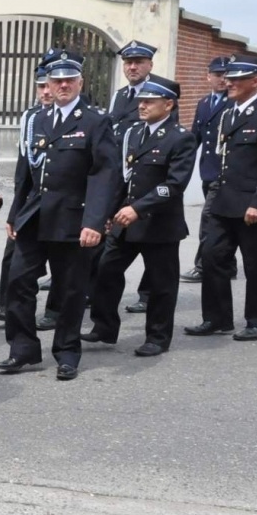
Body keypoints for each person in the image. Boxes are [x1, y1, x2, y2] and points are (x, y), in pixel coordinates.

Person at [0, 49, 118, 381]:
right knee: (18, 281)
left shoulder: (95, 121)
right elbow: (27, 170)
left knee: (70, 290)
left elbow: (104, 174)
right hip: (35, 216)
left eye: (69, 80)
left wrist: (94, 222)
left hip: (73, 219)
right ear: (48, 84)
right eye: (56, 80)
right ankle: (22, 348)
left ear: (80, 82)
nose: (62, 85)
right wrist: (14, 213)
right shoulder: (38, 120)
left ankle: (66, 352)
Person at [86, 76, 196, 357]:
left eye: (149, 101)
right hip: (125, 221)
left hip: (159, 224)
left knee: (161, 284)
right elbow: (124, 178)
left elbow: (174, 185)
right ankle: (104, 327)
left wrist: (138, 208)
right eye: (141, 101)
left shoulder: (180, 138)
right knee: (105, 271)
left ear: (168, 104)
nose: (142, 105)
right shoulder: (134, 133)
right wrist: (108, 212)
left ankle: (157, 337)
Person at [185, 57, 257, 342]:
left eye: (236, 79)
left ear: (255, 81)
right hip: (224, 200)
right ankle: (217, 318)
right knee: (212, 256)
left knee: (256, 264)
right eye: (228, 78)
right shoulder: (228, 114)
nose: (229, 82)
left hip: (253, 204)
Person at [0, 66, 54, 324]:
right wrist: (16, 208)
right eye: (41, 86)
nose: (46, 92)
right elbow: (24, 167)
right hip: (31, 199)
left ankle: (54, 313)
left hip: (63, 202)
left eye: (49, 85)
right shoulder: (32, 117)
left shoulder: (85, 118)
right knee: (13, 254)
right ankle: (9, 307)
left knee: (62, 263)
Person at [103, 41, 159, 315]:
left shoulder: (158, 92)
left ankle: (148, 295)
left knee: (151, 240)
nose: (132, 67)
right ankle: (95, 289)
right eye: (128, 62)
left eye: (138, 62)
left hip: (145, 173)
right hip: (117, 172)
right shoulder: (120, 95)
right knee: (111, 236)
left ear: (150, 65)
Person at [181, 56, 235, 283]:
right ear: (208, 77)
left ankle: (202, 266)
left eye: (225, 75)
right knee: (221, 220)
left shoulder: (233, 102)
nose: (222, 79)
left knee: (209, 220)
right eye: (217, 75)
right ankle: (227, 264)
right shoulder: (203, 103)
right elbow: (195, 137)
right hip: (207, 171)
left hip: (225, 173)